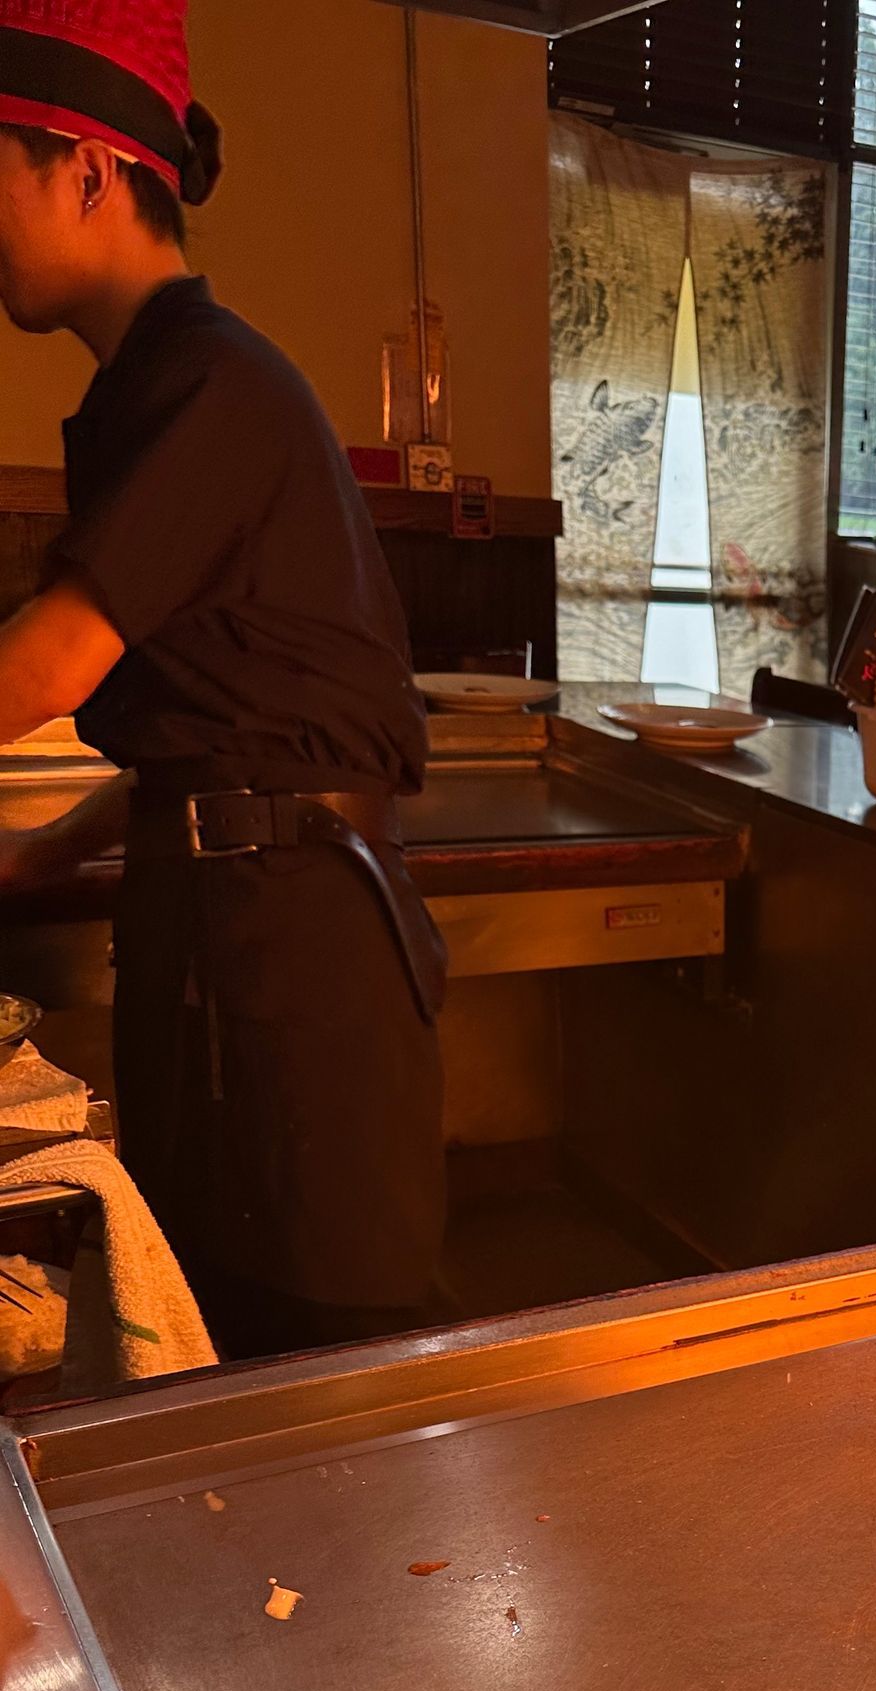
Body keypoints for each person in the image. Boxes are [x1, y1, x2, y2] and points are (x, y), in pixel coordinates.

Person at [0, 1, 445, 1360]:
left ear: (87, 169)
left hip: (290, 954)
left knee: (322, 1363)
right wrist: (47, 850)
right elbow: (208, 728)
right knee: (218, 1342)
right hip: (225, 923)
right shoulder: (158, 383)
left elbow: (51, 661)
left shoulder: (209, 380)